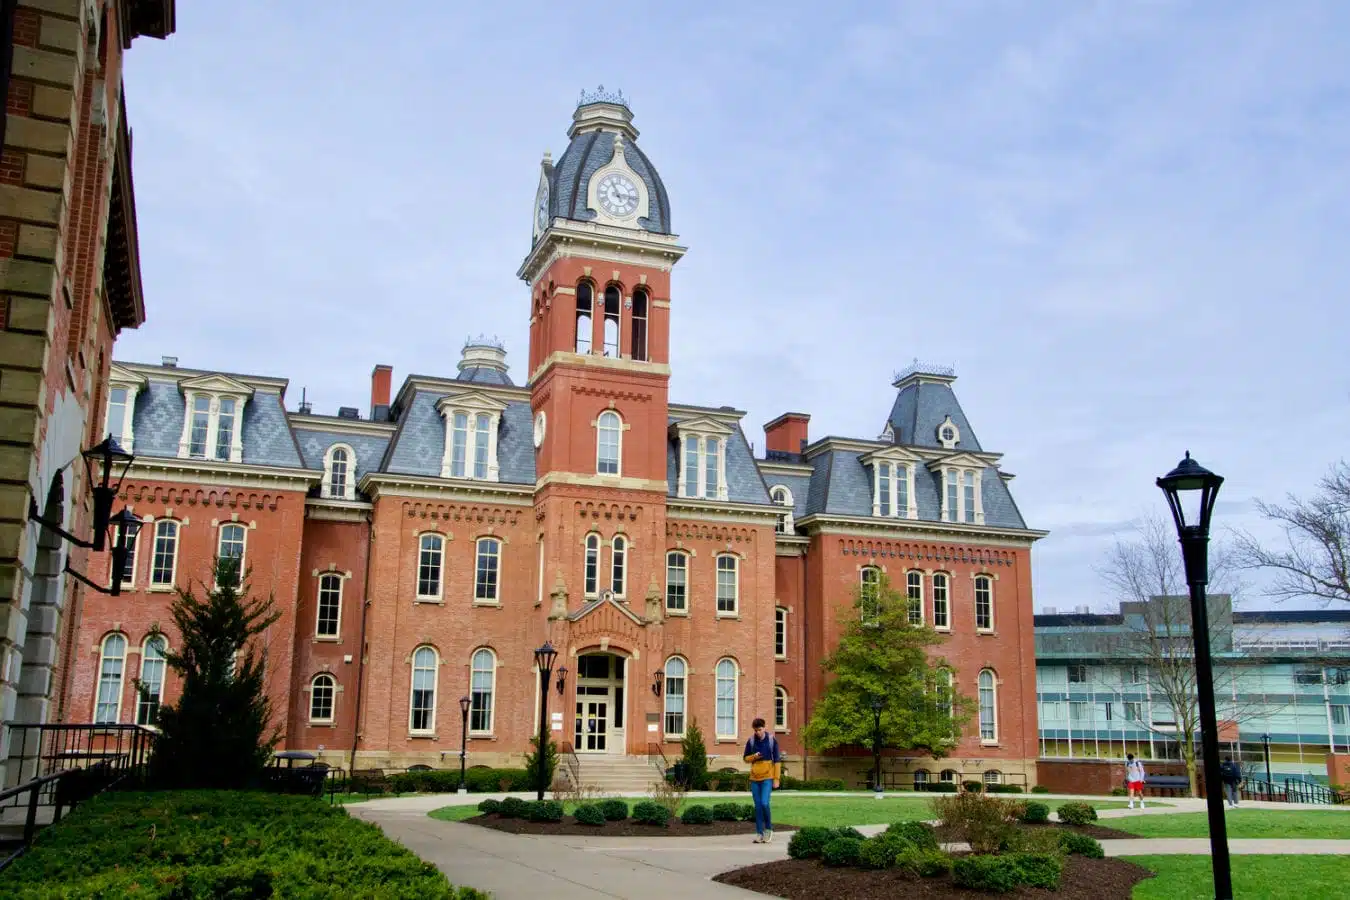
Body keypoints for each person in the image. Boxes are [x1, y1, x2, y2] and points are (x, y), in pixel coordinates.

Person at [743, 717, 781, 843]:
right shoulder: (751, 741)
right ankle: (759, 833)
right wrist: (754, 757)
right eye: (756, 730)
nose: (758, 732)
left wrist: (776, 778)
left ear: (764, 728)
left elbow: (777, 760)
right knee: (758, 806)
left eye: (760, 730)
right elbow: (745, 758)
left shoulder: (771, 740)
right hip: (754, 778)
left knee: (765, 803)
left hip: (767, 778)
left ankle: (768, 830)